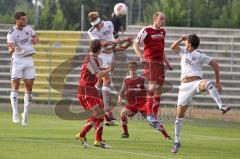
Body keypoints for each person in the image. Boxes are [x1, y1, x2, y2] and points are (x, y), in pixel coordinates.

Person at [170, 34, 231, 153]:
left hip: (196, 83)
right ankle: (177, 142)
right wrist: (180, 39)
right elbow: (172, 47)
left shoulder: (200, 55)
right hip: (184, 87)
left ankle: (221, 106)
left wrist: (218, 82)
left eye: (186, 41)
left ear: (190, 44)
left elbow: (215, 65)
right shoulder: (183, 51)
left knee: (208, 84)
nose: (185, 43)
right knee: (179, 116)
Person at [87, 11, 131, 126]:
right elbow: (102, 44)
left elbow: (111, 41)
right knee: (107, 80)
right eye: (94, 25)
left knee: (100, 82)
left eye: (97, 24)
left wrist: (121, 44)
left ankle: (99, 107)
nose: (97, 27)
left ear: (100, 20)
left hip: (110, 55)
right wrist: (116, 42)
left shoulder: (109, 24)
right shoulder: (92, 32)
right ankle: (107, 111)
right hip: (100, 56)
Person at [133, 12, 173, 126]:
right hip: (150, 61)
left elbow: (162, 50)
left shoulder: (163, 32)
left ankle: (154, 115)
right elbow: (135, 44)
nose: (163, 21)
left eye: (164, 19)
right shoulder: (146, 30)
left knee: (159, 89)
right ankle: (149, 114)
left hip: (160, 63)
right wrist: (141, 56)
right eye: (161, 19)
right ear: (155, 19)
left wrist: (167, 63)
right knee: (153, 85)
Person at [75, 39, 113, 148]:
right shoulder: (90, 59)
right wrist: (110, 69)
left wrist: (107, 69)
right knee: (99, 114)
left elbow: (99, 70)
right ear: (99, 49)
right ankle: (85, 136)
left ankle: (96, 139)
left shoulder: (95, 59)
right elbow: (98, 74)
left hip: (91, 90)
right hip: (86, 90)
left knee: (101, 112)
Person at [118, 61, 171, 139]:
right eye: (130, 68)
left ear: (136, 69)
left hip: (144, 104)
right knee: (123, 114)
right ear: (128, 69)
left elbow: (150, 90)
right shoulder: (126, 80)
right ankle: (125, 133)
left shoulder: (142, 79)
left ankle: (166, 135)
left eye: (134, 68)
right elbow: (121, 91)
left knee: (152, 121)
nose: (132, 70)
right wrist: (119, 99)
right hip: (132, 104)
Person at [7, 12, 38, 126]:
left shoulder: (28, 28)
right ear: (18, 20)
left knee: (29, 86)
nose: (25, 21)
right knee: (15, 85)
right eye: (23, 20)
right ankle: (15, 113)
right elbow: (10, 49)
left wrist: (35, 39)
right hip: (18, 59)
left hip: (29, 59)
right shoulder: (11, 33)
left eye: (25, 19)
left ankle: (25, 114)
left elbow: (35, 38)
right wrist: (11, 49)